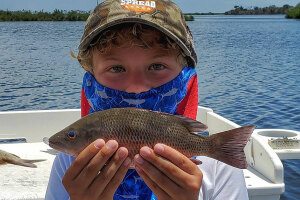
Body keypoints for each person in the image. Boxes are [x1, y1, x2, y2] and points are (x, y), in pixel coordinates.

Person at [45, 0, 249, 199]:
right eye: (116, 68)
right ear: (92, 76)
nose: (136, 88)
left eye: (157, 66)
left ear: (185, 76)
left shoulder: (219, 167)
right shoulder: (70, 164)